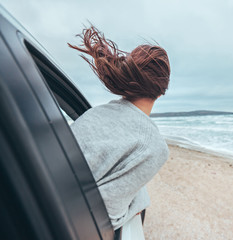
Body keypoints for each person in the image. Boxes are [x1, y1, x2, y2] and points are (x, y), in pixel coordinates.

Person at [68, 26, 170, 231]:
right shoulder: (155, 147)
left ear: (127, 78)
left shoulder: (92, 114)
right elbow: (107, 217)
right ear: (161, 91)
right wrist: (140, 204)